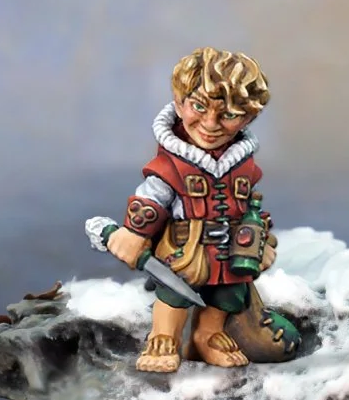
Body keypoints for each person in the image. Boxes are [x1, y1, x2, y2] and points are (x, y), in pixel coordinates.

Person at [107, 46, 278, 372]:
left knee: (229, 293)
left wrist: (261, 242)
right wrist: (134, 233)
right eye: (199, 106)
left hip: (229, 248)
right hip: (184, 248)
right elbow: (152, 197)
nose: (210, 124)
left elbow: (250, 205)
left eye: (229, 115)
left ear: (249, 117)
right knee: (174, 292)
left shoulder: (243, 163)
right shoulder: (172, 161)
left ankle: (208, 335)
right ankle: (163, 338)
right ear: (179, 102)